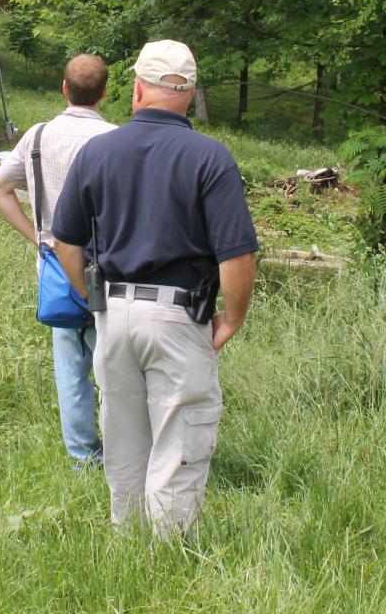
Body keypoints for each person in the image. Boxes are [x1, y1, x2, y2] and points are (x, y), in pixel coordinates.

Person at [52, 40, 257, 536]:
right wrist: (233, 318)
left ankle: (128, 541)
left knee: (123, 440)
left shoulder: (97, 151)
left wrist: (93, 301)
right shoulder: (210, 157)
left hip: (114, 312)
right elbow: (236, 255)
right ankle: (169, 556)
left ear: (138, 88)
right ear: (188, 94)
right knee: (179, 438)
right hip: (179, 315)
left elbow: (66, 242)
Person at [0, 54, 116, 464]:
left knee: (70, 366)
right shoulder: (115, 139)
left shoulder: (38, 136)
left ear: (64, 89)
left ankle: (82, 456)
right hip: (107, 265)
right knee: (114, 367)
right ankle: (121, 453)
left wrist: (38, 238)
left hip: (55, 267)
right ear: (105, 92)